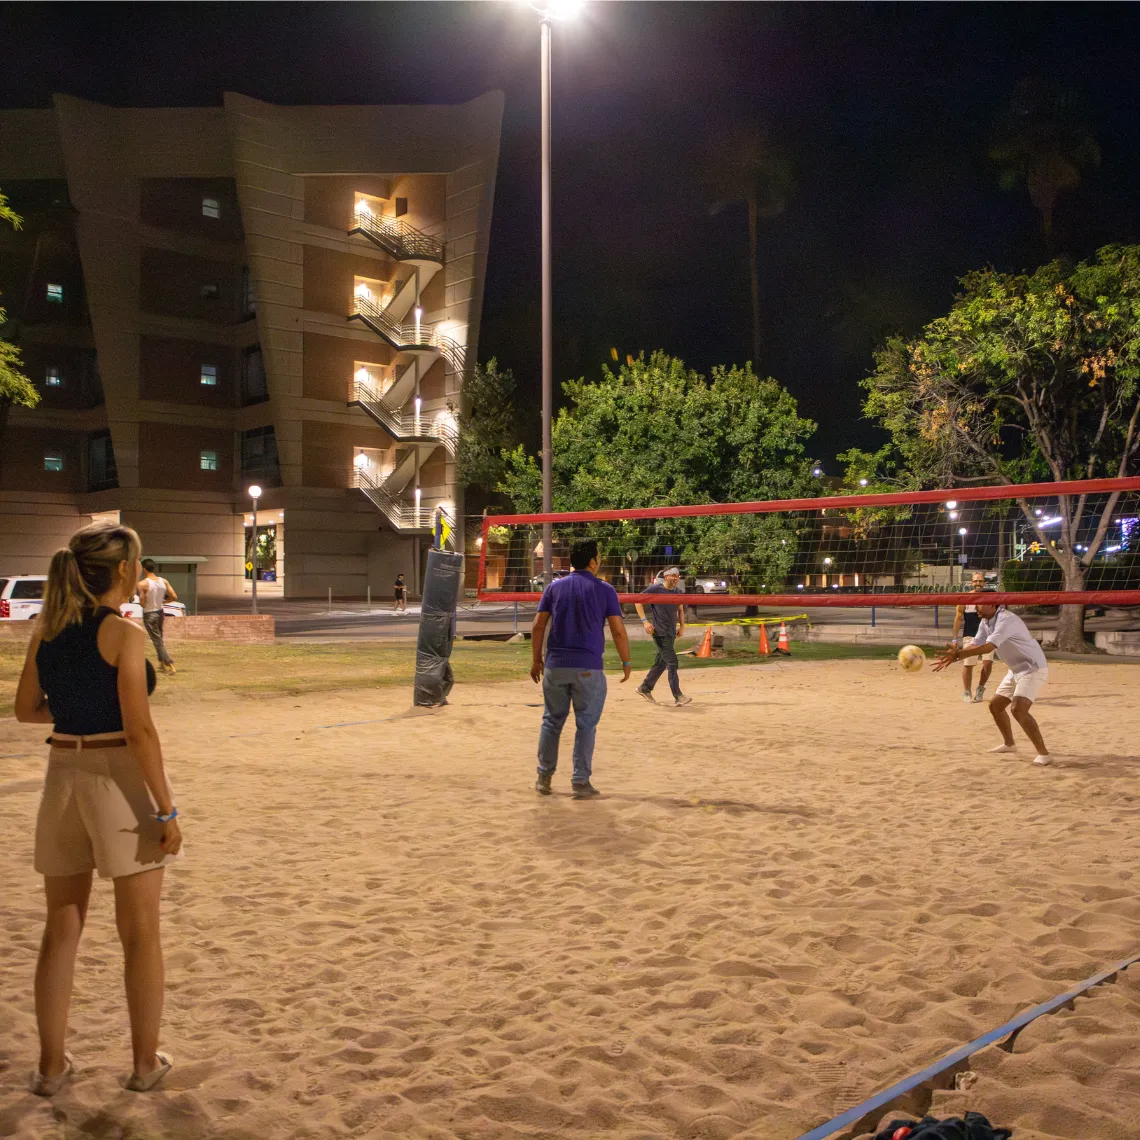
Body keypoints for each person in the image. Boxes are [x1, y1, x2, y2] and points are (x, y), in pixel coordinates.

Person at [14, 522, 183, 1096]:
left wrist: (75, 716)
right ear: (121, 571)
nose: (138, 572)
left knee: (61, 926)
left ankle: (51, 1067)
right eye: (134, 564)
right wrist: (166, 809)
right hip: (114, 777)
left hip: (61, 772)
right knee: (140, 932)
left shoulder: (49, 631)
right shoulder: (123, 634)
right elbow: (140, 729)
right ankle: (142, 1064)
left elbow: (26, 709)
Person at [530, 538, 632, 799]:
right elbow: (619, 632)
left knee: (551, 722)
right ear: (592, 562)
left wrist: (536, 660)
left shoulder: (554, 589)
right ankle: (580, 781)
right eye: (599, 556)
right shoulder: (605, 590)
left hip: (555, 665)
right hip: (588, 668)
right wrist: (626, 662)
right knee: (586, 725)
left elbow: (538, 626)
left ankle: (544, 778)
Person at [933, 602, 1052, 765]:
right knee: (995, 706)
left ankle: (1044, 754)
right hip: (1015, 669)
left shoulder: (1006, 619)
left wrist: (959, 654)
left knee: (1018, 709)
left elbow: (989, 647)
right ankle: (1010, 744)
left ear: (991, 604)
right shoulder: (986, 621)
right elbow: (976, 643)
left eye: (979, 605)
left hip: (1033, 668)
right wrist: (957, 654)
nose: (975, 608)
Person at [634, 566, 691, 706]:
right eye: (674, 576)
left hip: (671, 632)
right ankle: (678, 695)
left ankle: (645, 687)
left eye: (678, 576)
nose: (677, 578)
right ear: (666, 577)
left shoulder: (678, 592)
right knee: (672, 662)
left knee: (662, 662)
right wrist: (645, 622)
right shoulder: (656, 589)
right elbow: (637, 601)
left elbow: (681, 610)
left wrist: (682, 626)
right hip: (659, 632)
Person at [951, 572, 993, 703]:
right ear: (971, 583)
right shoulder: (965, 599)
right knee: (968, 665)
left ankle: (980, 688)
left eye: (980, 581)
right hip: (970, 636)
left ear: (984, 583)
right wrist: (955, 639)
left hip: (988, 637)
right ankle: (967, 691)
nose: (978, 583)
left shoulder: (991, 598)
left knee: (987, 664)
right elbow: (958, 619)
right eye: (975, 581)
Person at [139, 559, 177, 675]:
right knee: (159, 638)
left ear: (144, 569)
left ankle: (169, 663)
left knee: (157, 640)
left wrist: (146, 602)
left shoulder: (142, 584)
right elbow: (174, 597)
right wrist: (164, 602)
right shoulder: (163, 581)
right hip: (160, 612)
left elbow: (142, 602)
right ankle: (161, 664)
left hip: (149, 613)